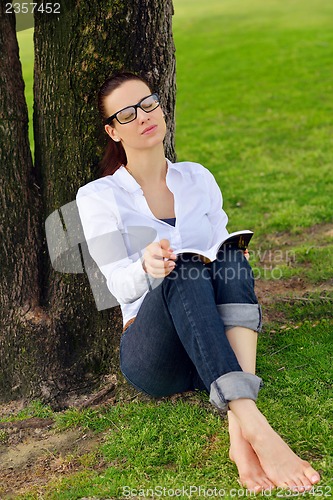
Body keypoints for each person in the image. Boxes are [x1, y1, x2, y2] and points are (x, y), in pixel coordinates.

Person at [76, 71, 321, 492]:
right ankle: (258, 429)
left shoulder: (197, 177)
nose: (143, 116)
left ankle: (238, 430)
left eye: (149, 103)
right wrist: (146, 268)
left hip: (211, 341)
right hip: (156, 354)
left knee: (231, 256)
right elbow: (115, 286)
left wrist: (232, 257)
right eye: (128, 114)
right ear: (113, 131)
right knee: (182, 266)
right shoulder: (98, 196)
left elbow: (223, 246)